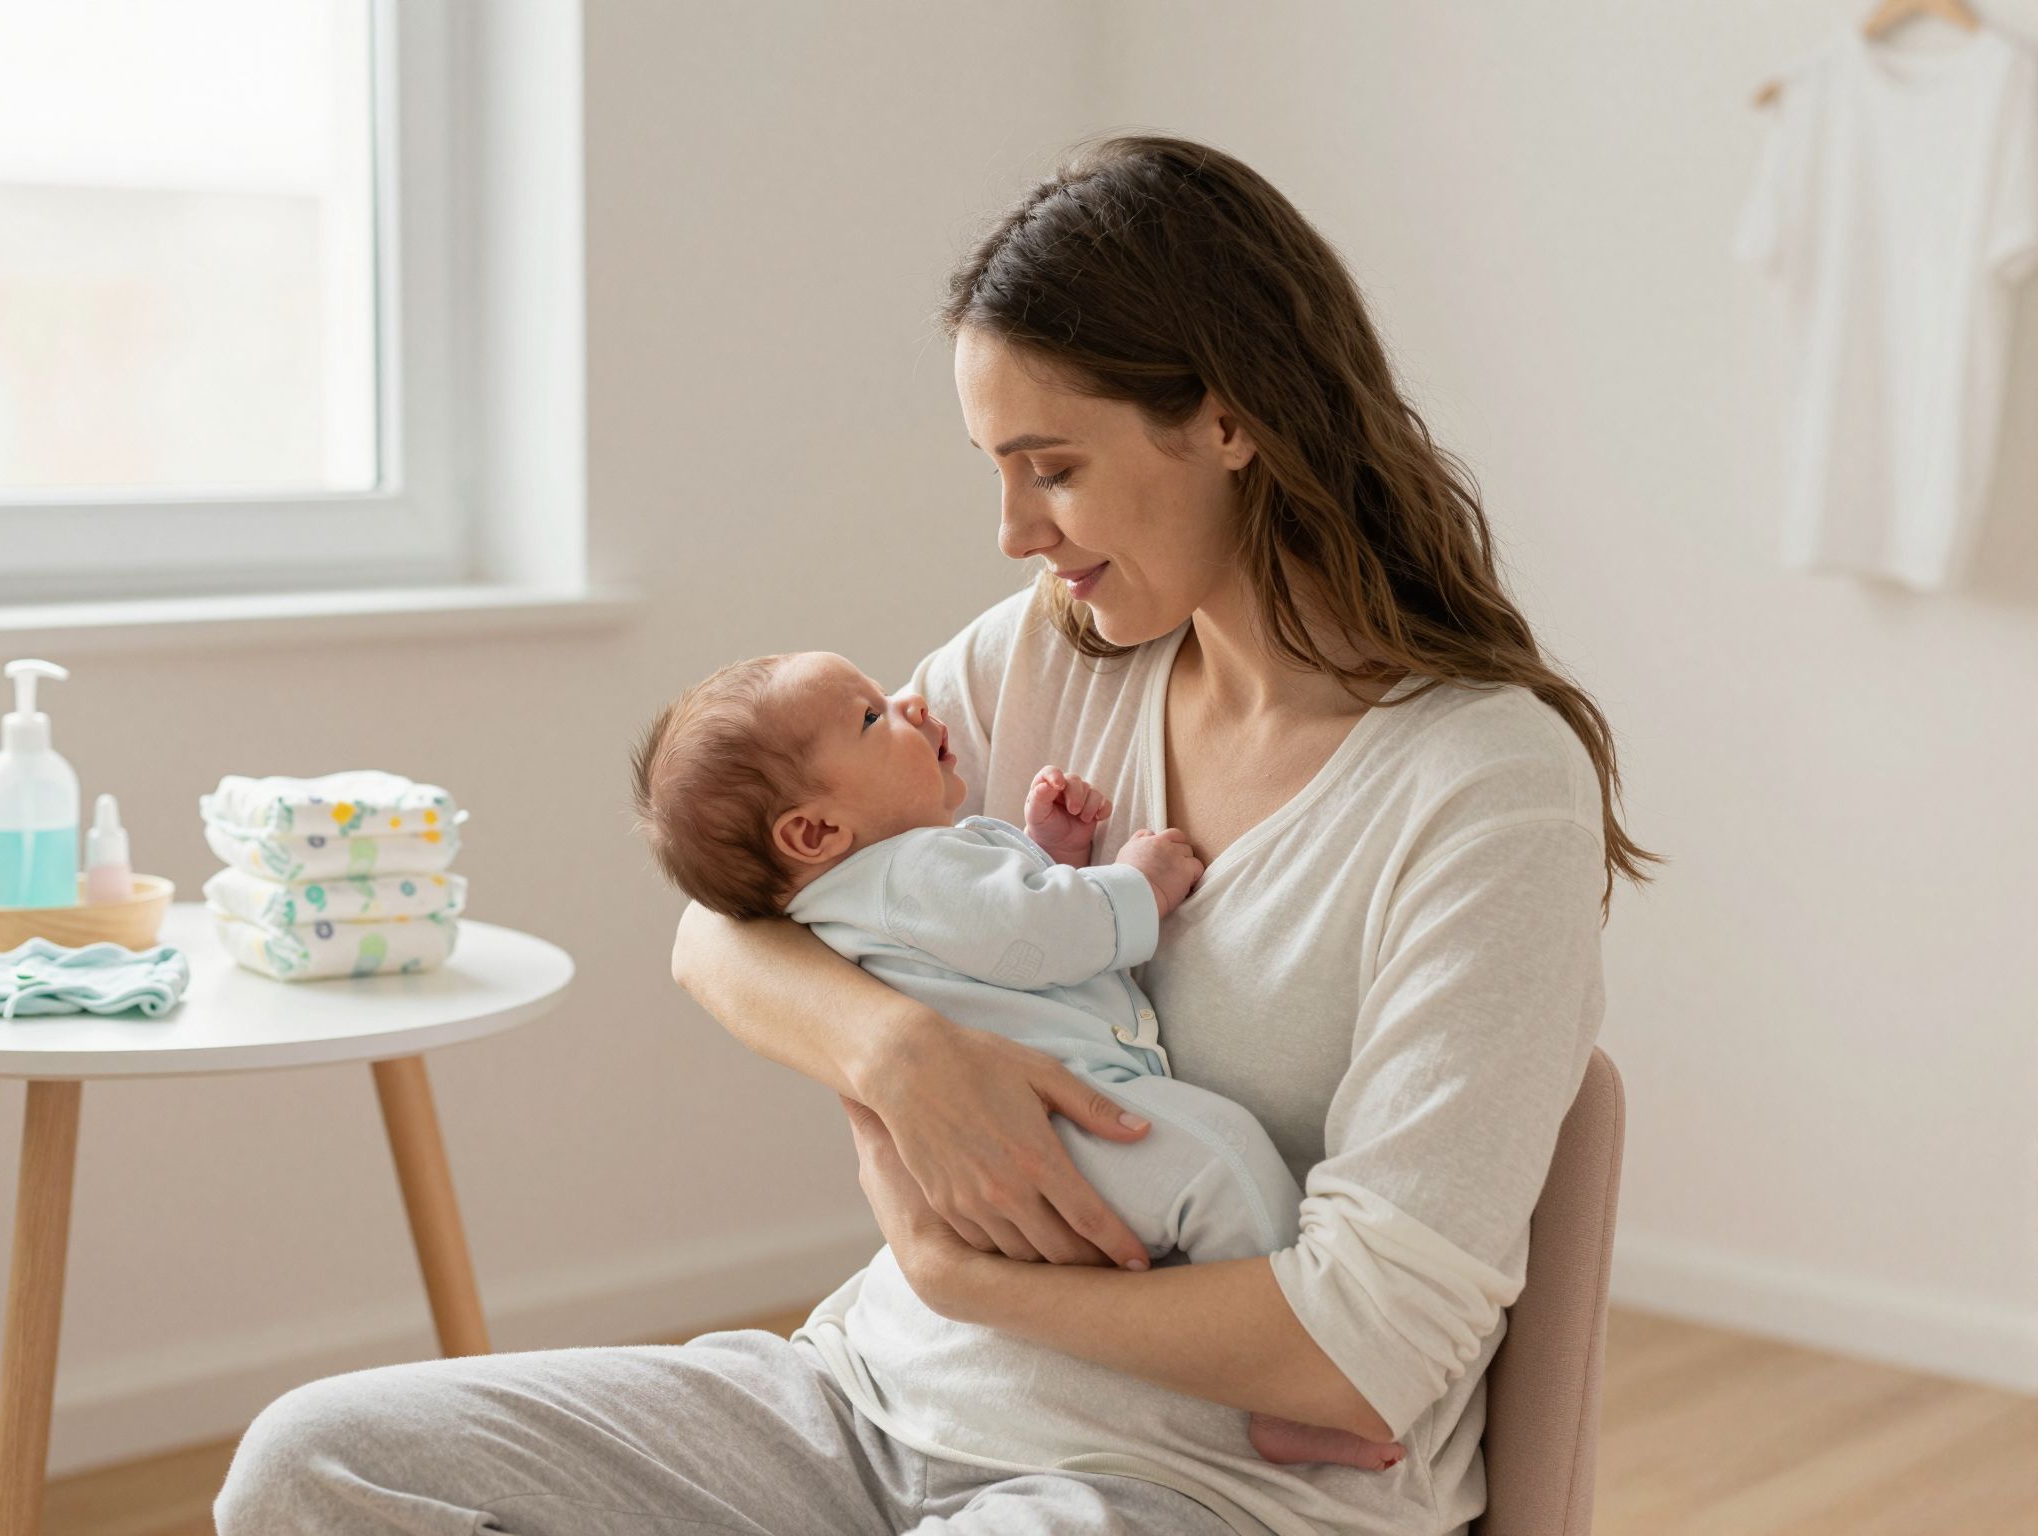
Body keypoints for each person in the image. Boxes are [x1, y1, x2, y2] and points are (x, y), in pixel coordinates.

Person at [213, 132, 1660, 1536]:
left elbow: (1366, 1350)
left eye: (1054, 467)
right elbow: (724, 926)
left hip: (1203, 1488)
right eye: (1000, 469)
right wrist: (902, 1059)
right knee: (318, 1467)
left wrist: (959, 1272)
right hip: (868, 1402)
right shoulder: (1054, 652)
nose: (1018, 532)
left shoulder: (1483, 787)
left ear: (1230, 419)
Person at [627, 647, 1411, 1474]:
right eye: (871, 716)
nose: (914, 703)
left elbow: (990, 945)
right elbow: (1041, 936)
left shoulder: (868, 893)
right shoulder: (910, 871)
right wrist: (1139, 881)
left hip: (1021, 1142)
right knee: (1224, 1159)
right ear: (815, 831)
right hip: (1062, 1123)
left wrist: (1047, 854)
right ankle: (1286, 1392)